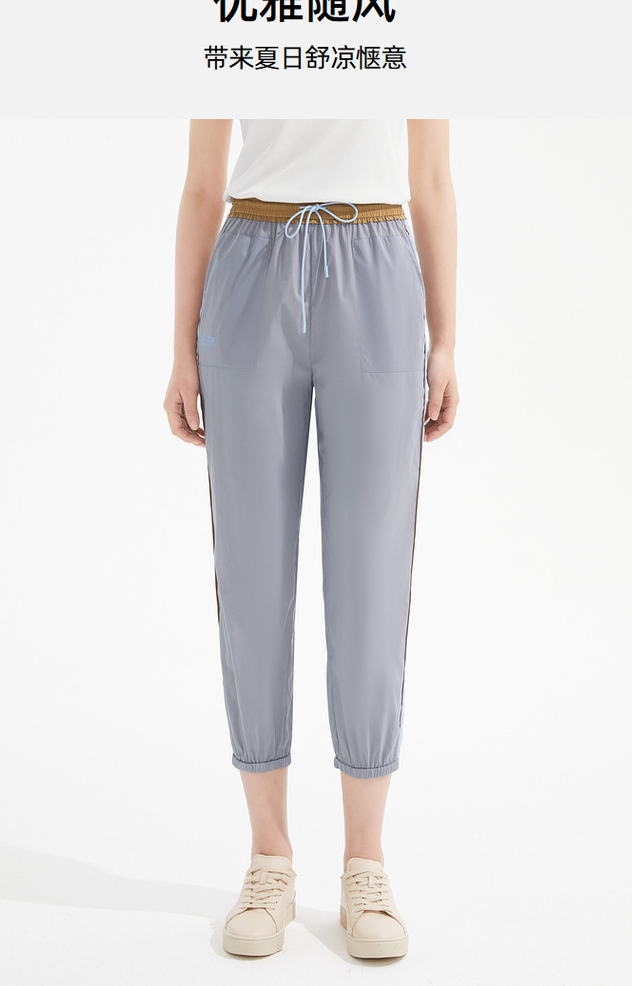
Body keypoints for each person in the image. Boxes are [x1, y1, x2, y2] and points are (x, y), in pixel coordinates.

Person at [164, 119, 458, 959]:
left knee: (371, 578)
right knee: (252, 575)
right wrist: (180, 347)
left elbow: (432, 181)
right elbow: (201, 183)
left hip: (377, 265)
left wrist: (445, 340)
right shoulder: (228, 28)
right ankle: (270, 859)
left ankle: (365, 862)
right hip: (252, 265)